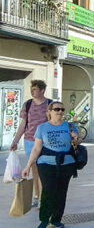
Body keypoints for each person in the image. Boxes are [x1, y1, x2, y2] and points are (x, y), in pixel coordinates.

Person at [21, 101, 79, 228]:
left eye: (62, 109)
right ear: (50, 112)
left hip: (66, 164)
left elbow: (76, 143)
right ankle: (44, 220)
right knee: (48, 190)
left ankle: (56, 219)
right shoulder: (42, 128)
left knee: (61, 192)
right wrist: (28, 166)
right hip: (46, 164)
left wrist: (75, 138)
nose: (60, 112)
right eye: (57, 109)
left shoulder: (70, 126)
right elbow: (36, 148)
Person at [10, 79, 52, 208]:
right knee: (35, 169)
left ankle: (41, 197)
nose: (32, 91)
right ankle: (37, 196)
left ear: (42, 91)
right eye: (31, 89)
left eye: (35, 89)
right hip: (29, 140)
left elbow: (53, 122)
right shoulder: (27, 104)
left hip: (45, 142)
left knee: (42, 169)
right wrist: (15, 141)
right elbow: (23, 124)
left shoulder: (50, 104)